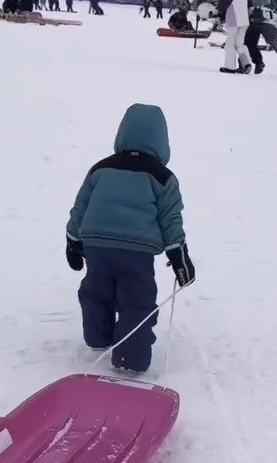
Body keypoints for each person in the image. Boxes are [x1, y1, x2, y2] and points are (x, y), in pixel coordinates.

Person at [65, 103, 195, 373]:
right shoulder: (163, 177)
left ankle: (98, 338)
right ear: (162, 141)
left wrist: (73, 241)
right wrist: (179, 257)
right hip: (137, 251)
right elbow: (171, 219)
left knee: (96, 291)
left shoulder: (100, 169)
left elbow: (80, 207)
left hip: (97, 245)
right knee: (136, 300)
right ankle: (130, 358)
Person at [218, 0, 252, 74]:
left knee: (230, 42)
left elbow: (224, 0)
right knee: (239, 43)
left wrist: (220, 14)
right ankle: (246, 63)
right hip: (244, 18)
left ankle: (229, 66)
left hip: (232, 17)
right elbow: (250, 2)